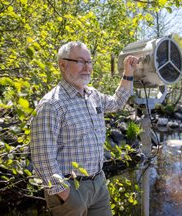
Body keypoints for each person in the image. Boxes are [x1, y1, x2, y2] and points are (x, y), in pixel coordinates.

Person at [30, 41, 139, 216]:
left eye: (89, 62)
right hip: (71, 189)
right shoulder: (51, 104)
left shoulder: (93, 95)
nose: (87, 67)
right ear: (63, 65)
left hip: (99, 183)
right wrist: (68, 195)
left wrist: (128, 72)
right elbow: (43, 159)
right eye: (80, 61)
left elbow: (117, 102)